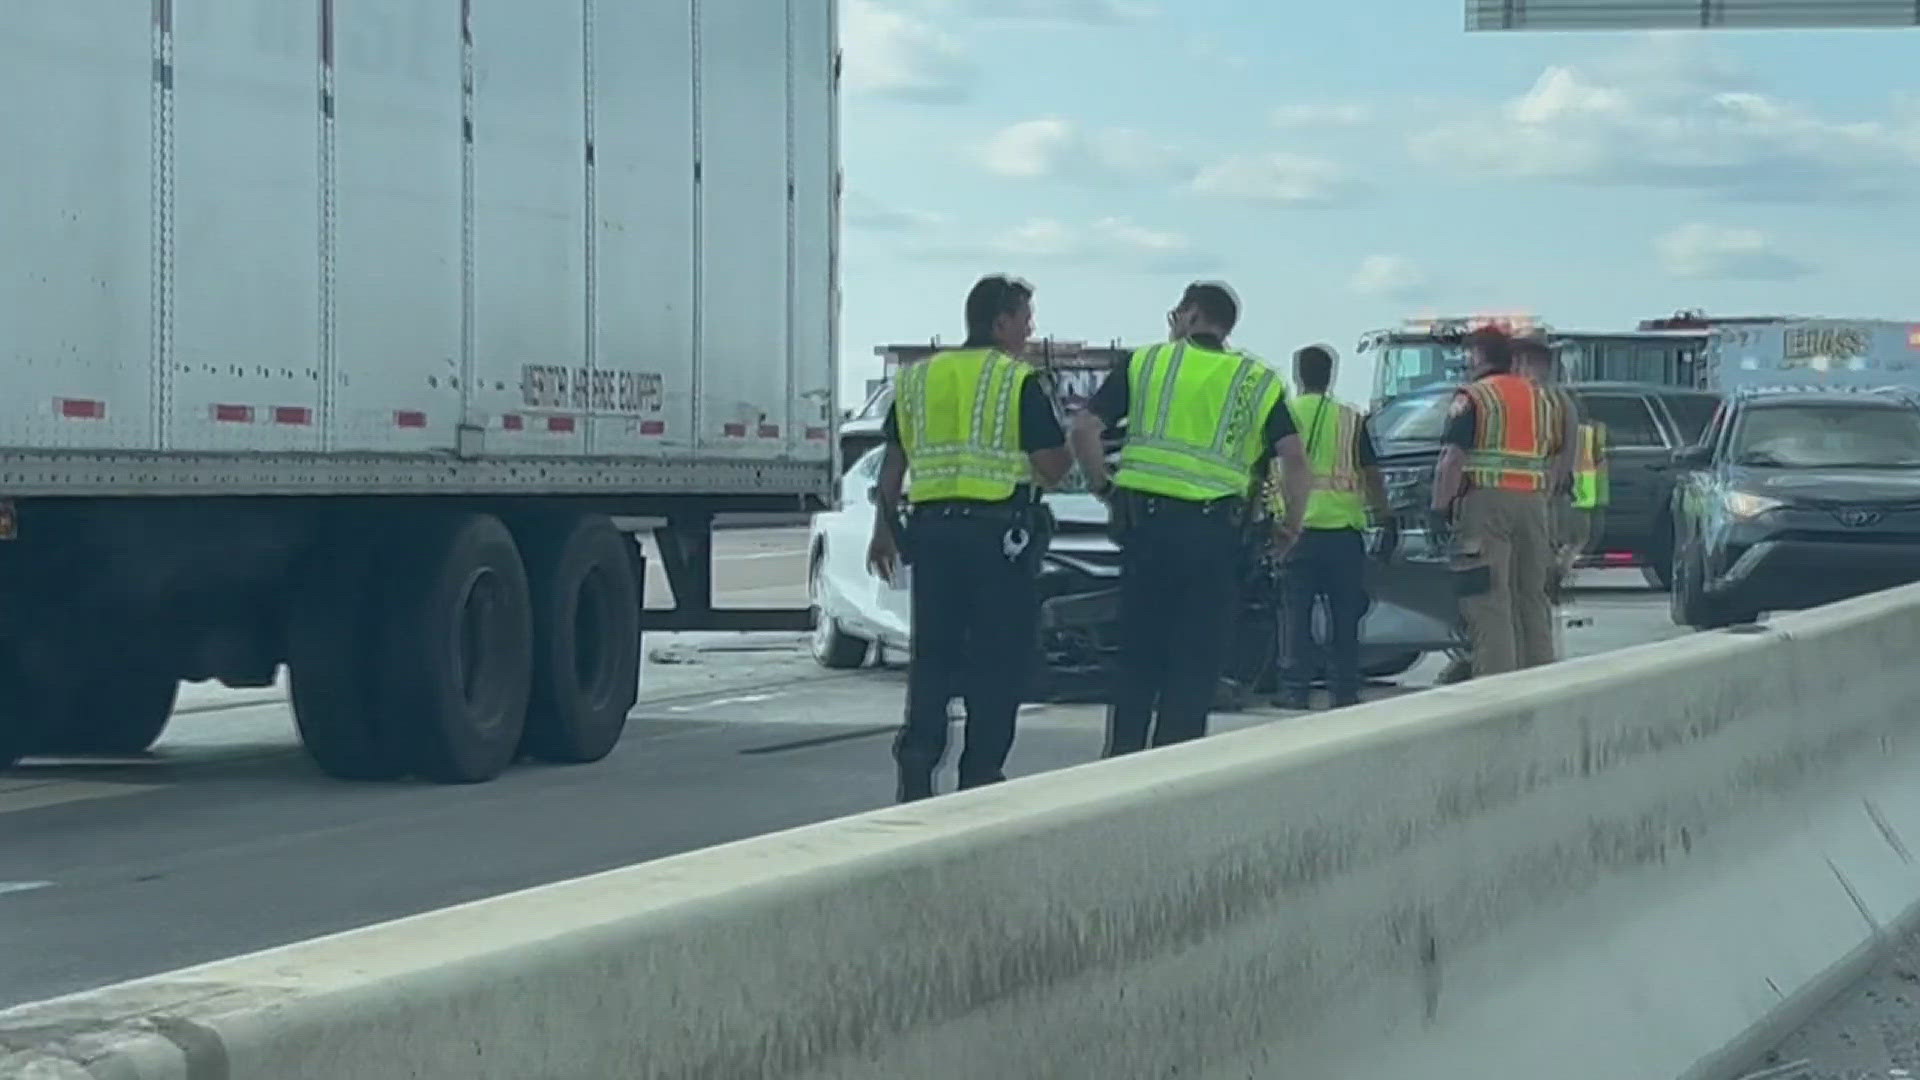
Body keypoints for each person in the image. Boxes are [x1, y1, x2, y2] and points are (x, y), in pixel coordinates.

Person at [1068, 281, 1312, 755]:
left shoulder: (1147, 363)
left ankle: (1119, 768)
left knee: (1138, 660)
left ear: (1193, 315)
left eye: (1176, 313)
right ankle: (1173, 773)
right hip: (1214, 540)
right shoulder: (1256, 380)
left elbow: (1083, 428)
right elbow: (1294, 460)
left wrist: (1104, 488)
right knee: (1195, 666)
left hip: (1146, 532)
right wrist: (1290, 525)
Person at [867, 274, 1073, 802]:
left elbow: (893, 465)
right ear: (1000, 322)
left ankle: (916, 770)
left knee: (932, 657)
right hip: (997, 544)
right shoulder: (1017, 381)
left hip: (932, 538)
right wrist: (1068, 443)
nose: (1030, 329)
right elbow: (1051, 469)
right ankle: (980, 775)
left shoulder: (917, 379)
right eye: (1025, 319)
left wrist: (883, 532)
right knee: (996, 660)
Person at [1428, 327, 1561, 677]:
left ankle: (1496, 690)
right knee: (1531, 598)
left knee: (1489, 602)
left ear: (1478, 356)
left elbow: (1452, 460)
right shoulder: (1541, 399)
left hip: (1487, 506)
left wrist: (1439, 509)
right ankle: (1541, 682)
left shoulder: (1474, 397)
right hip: (1534, 504)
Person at [1269, 344, 1393, 710]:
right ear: (1331, 375)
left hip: (1296, 531)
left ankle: (1295, 690)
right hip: (1344, 531)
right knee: (1344, 616)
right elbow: (1371, 474)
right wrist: (1384, 517)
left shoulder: (1283, 414)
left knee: (1295, 615)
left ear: (1297, 375)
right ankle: (1344, 690)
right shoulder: (1350, 419)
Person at [1513, 339, 1581, 593]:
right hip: (1546, 492)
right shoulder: (1561, 399)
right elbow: (1569, 446)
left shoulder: (1530, 398)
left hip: (1529, 492)